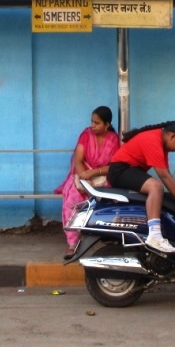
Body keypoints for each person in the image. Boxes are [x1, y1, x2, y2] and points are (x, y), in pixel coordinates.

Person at [108, 121, 175, 253]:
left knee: (159, 191)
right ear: (172, 136)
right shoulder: (152, 140)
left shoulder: (160, 142)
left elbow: (167, 174)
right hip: (120, 171)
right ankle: (154, 235)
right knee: (155, 187)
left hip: (130, 170)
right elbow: (164, 176)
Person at [54, 106, 121, 256]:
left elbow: (114, 166)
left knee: (112, 199)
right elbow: (78, 160)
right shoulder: (86, 135)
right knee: (71, 198)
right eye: (92, 121)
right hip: (82, 175)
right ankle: (72, 242)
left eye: (97, 123)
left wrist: (94, 172)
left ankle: (108, 236)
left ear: (107, 125)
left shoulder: (114, 139)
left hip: (103, 177)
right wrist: (85, 176)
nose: (93, 125)